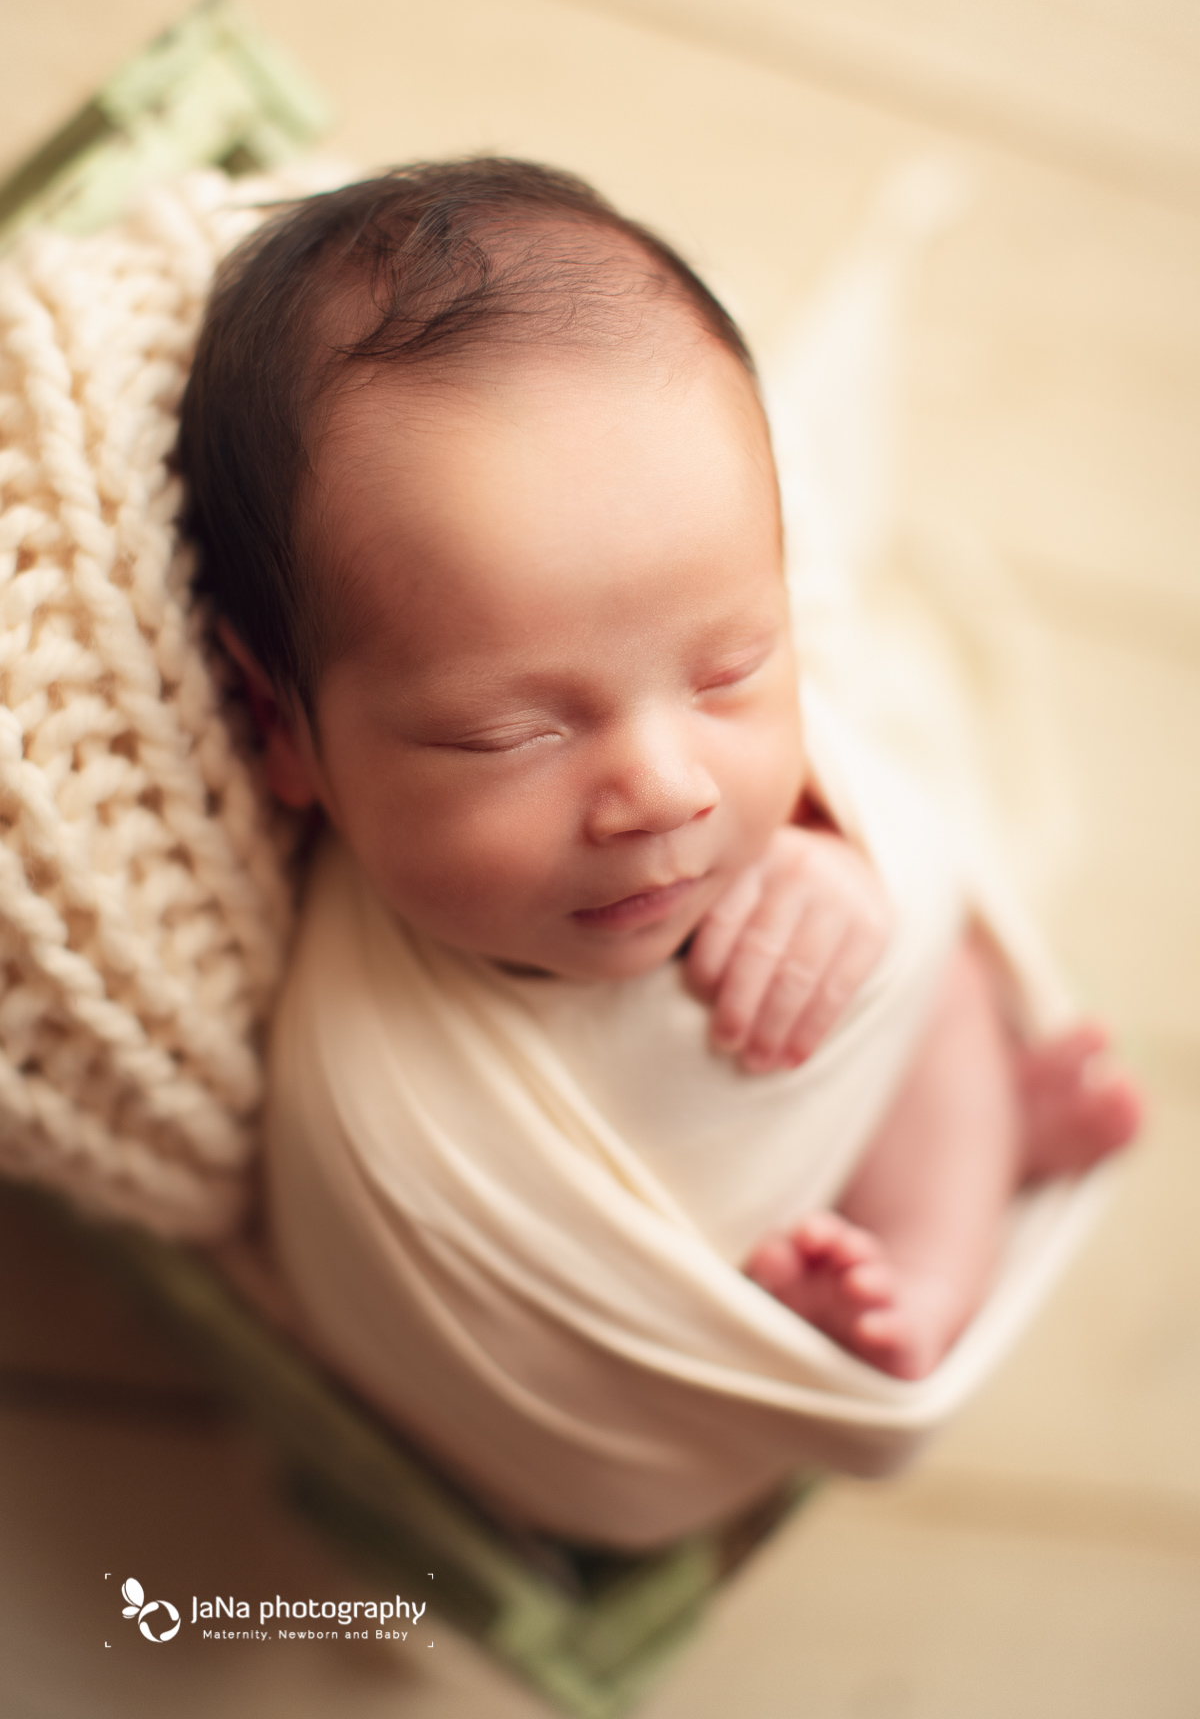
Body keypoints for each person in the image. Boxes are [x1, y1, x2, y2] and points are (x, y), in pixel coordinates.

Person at [178, 158, 1141, 1542]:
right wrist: (725, 1329)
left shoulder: (746, 797)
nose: (667, 790)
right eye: (509, 733)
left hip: (835, 1176)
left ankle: (939, 1227)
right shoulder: (379, 1084)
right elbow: (437, 1338)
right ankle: (915, 1224)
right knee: (890, 997)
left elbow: (903, 807)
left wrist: (840, 851)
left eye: (730, 666)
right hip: (674, 1370)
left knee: (914, 955)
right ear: (281, 720)